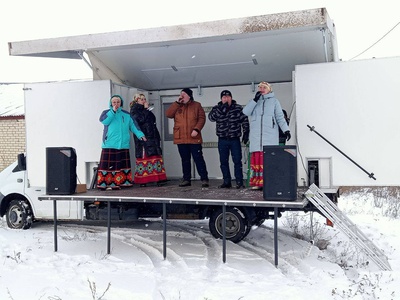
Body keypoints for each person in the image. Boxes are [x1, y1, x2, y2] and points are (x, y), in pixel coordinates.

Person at [243, 82, 291, 190]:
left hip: (269, 137)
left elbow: (279, 117)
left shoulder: (274, 101)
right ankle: (257, 183)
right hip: (256, 137)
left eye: (264, 87)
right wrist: (254, 100)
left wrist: (286, 130)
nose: (261, 89)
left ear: (269, 89)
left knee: (268, 160)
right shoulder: (254, 102)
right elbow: (245, 112)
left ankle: (269, 182)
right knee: (256, 160)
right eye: (260, 87)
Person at [97, 95, 146, 190]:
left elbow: (133, 126)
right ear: (111, 103)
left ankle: (122, 183)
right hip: (109, 144)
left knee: (121, 165)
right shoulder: (106, 113)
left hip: (123, 144)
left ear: (121, 103)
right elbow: (104, 121)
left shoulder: (126, 114)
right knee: (108, 165)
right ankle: (105, 183)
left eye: (118, 102)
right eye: (114, 102)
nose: (116, 104)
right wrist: (113, 112)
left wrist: (140, 135)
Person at [165, 88, 209, 187]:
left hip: (194, 138)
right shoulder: (177, 105)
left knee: (198, 158)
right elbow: (168, 114)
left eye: (184, 94)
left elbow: (202, 118)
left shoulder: (197, 105)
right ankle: (186, 179)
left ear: (189, 95)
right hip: (181, 138)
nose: (181, 96)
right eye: (181, 94)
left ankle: (204, 179)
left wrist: (197, 129)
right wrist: (176, 102)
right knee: (185, 159)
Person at [208, 90, 249, 189]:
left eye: (228, 97)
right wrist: (221, 109)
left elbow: (244, 120)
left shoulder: (238, 108)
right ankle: (227, 181)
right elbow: (211, 118)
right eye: (224, 97)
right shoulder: (217, 108)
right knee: (223, 161)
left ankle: (239, 182)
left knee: (237, 161)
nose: (226, 99)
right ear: (221, 99)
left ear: (231, 97)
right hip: (222, 139)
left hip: (234, 139)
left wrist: (246, 132)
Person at [130, 93, 167, 187]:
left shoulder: (145, 110)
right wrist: (146, 110)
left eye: (144, 99)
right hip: (144, 137)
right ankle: (143, 180)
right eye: (141, 99)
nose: (144, 101)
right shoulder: (134, 110)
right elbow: (141, 119)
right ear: (136, 100)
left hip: (152, 135)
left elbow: (152, 120)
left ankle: (158, 178)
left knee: (154, 155)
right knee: (145, 156)